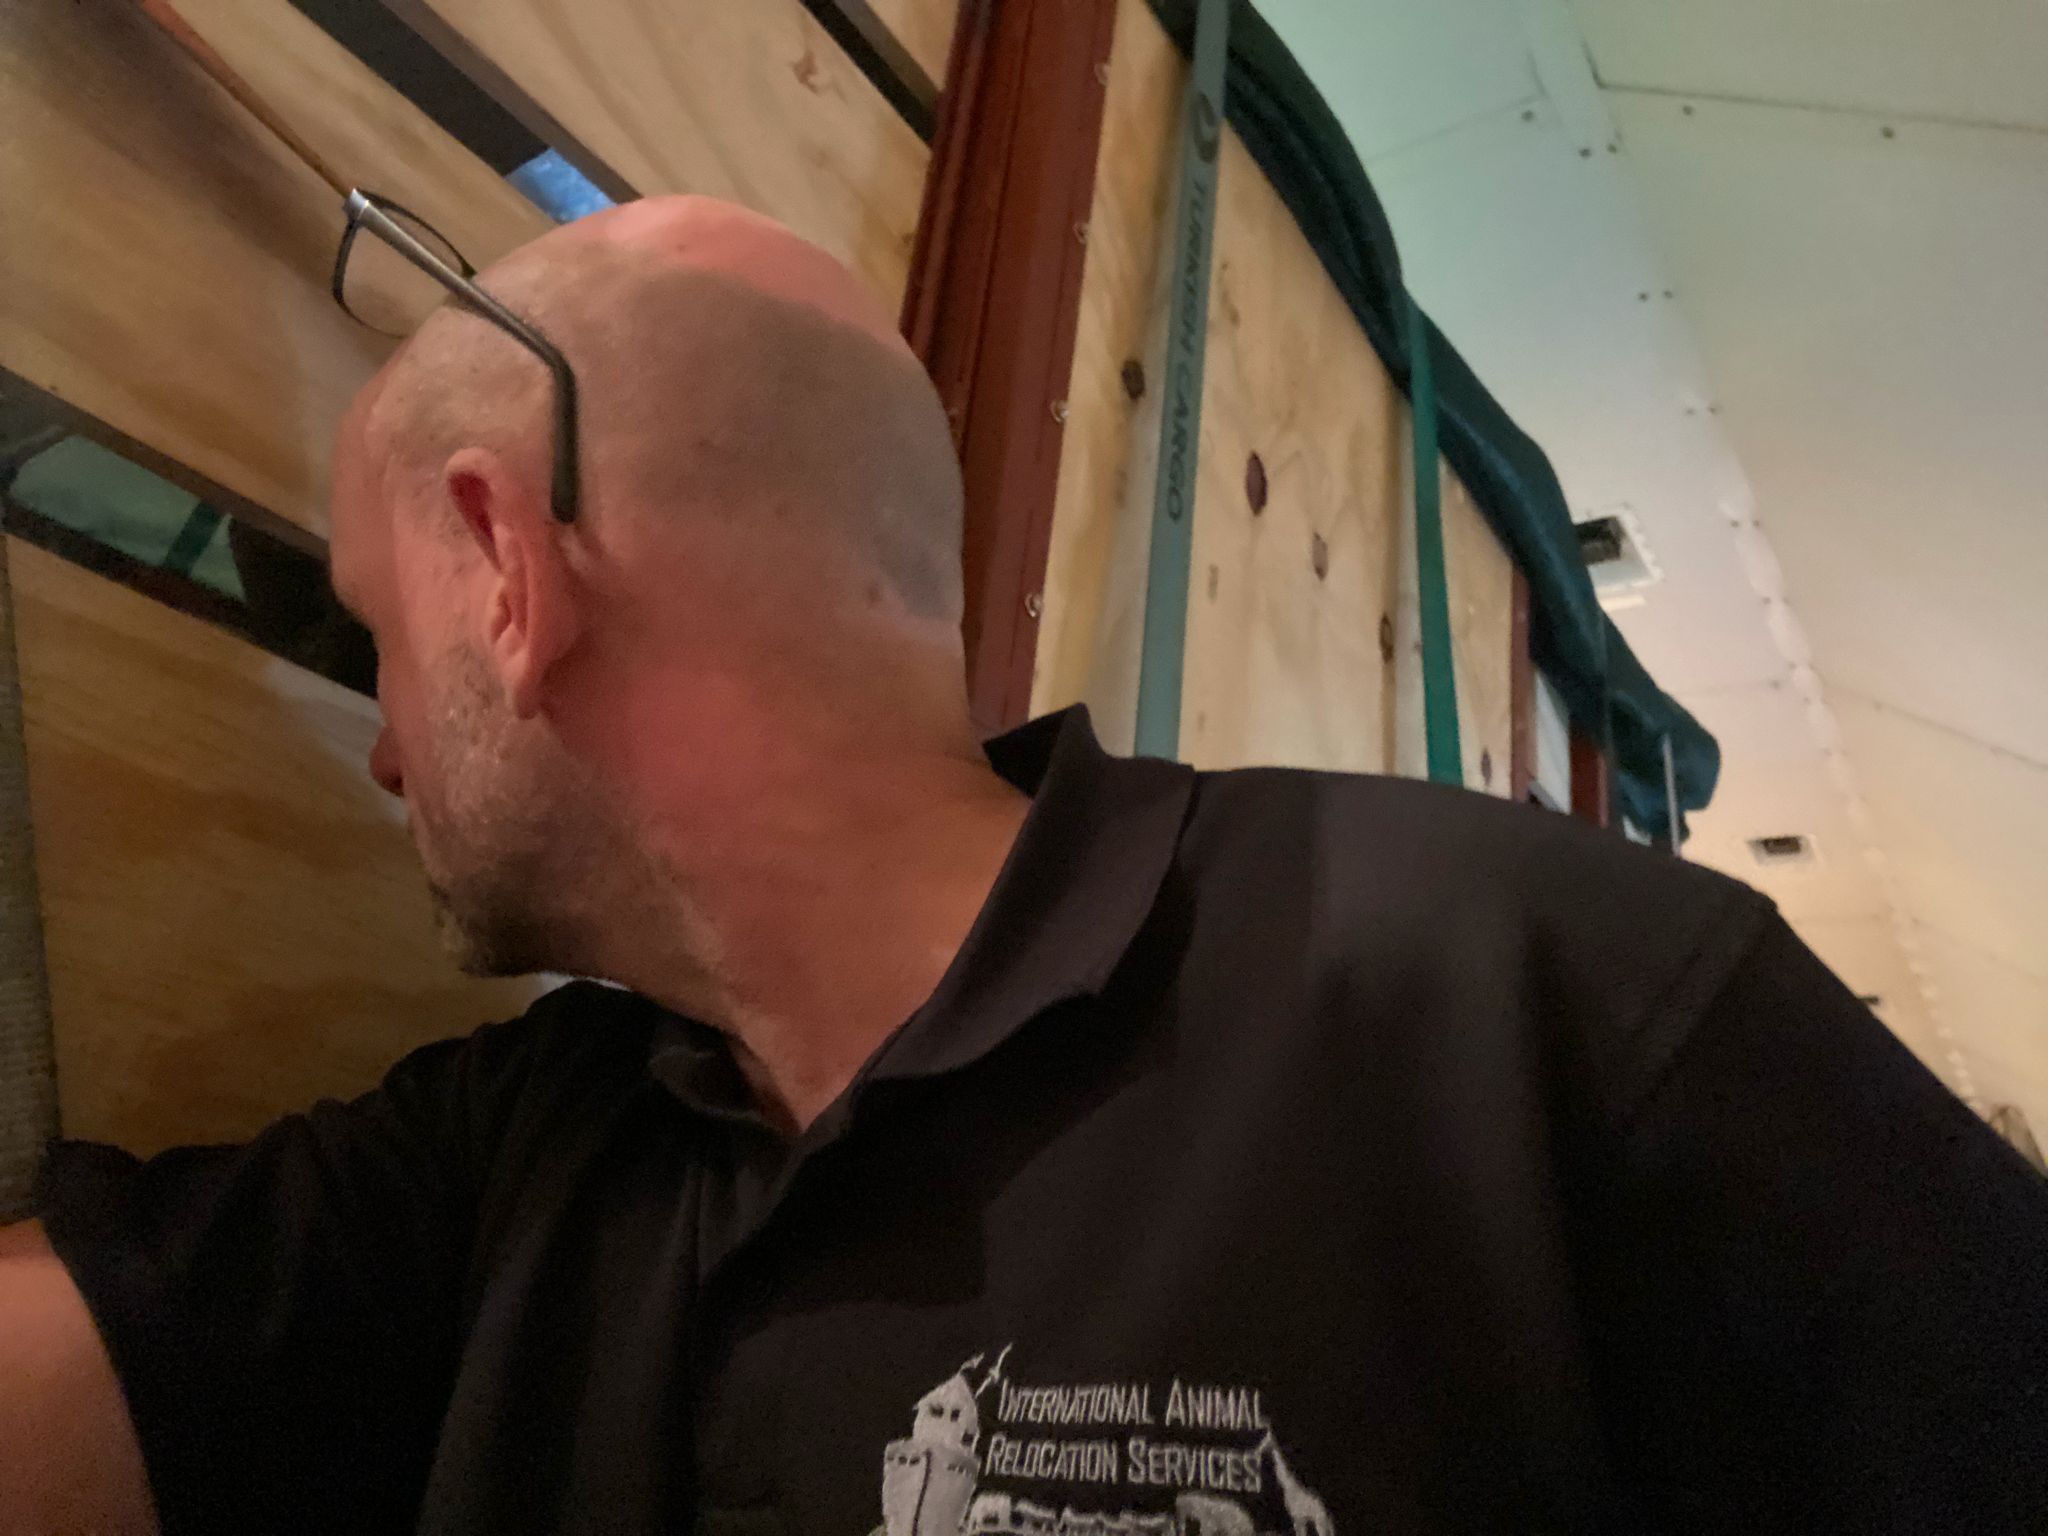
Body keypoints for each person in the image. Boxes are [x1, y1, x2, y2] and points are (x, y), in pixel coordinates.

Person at [2, 195, 2043, 1536]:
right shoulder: (519, 1163)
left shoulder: (1540, 1001)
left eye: (374, 635)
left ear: (506, 568)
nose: (376, 742)